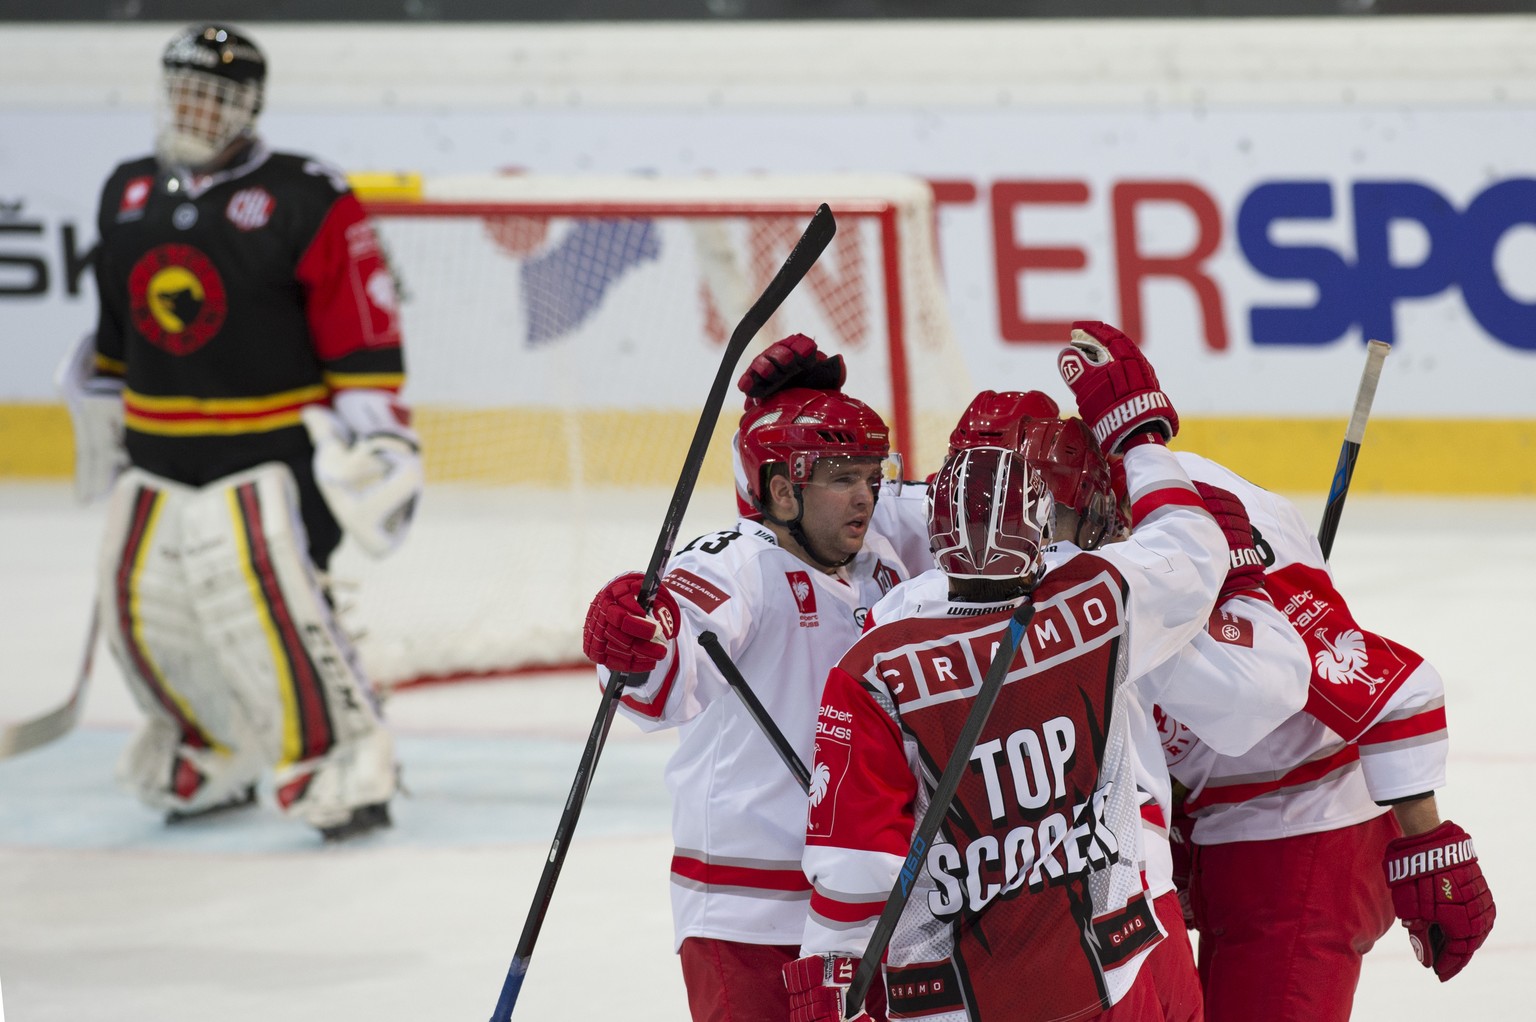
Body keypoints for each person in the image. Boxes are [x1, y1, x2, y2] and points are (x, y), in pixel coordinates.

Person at [783, 322, 1229, 1022]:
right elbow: (1192, 552)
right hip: (1111, 952)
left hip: (957, 991)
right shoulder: (1095, 597)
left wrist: (832, 966)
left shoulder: (876, 654)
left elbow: (857, 859)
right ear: (1045, 517)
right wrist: (1136, 431)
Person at [61, 23, 420, 840]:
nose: (196, 108)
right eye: (185, 90)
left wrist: (379, 436)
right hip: (154, 454)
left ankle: (347, 765)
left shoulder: (307, 195)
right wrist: (97, 404)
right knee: (142, 609)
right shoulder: (125, 192)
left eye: (216, 96)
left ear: (250, 106)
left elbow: (360, 331)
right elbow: (115, 336)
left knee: (275, 614)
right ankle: (210, 748)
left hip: (270, 457)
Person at [581, 346, 912, 1022]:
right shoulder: (736, 564)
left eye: (873, 476)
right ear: (783, 491)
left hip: (864, 901)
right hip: (750, 914)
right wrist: (637, 639)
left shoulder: (885, 570)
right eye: (844, 477)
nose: (866, 496)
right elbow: (668, 658)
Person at [1159, 451, 1497, 1021]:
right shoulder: (1127, 526)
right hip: (1240, 843)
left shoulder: (1188, 519)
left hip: (1303, 847)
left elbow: (1392, 688)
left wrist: (1430, 845)